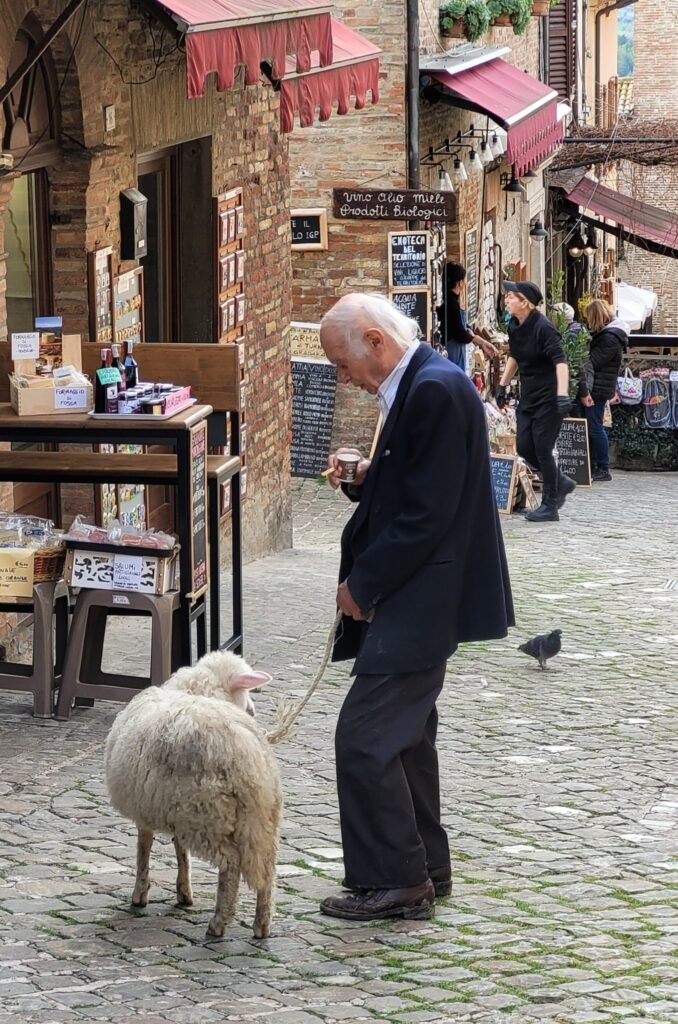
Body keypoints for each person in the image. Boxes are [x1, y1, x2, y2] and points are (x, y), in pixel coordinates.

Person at [318, 292, 514, 922]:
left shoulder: (432, 388)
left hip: (422, 594)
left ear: (375, 340)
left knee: (366, 737)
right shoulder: (425, 383)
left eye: (342, 362)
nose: (341, 377)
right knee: (405, 737)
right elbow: (416, 486)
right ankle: (424, 864)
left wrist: (363, 585)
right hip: (425, 591)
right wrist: (364, 479)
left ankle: (397, 882)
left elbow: (427, 514)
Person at [495, 281, 574, 524]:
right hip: (529, 395)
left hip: (549, 397)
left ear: (524, 302)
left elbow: (560, 362)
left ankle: (550, 505)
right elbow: (515, 355)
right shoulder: (514, 325)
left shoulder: (544, 328)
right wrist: (502, 384)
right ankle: (560, 482)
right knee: (524, 445)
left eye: (510, 297)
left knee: (542, 446)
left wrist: (562, 395)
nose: (506, 300)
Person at [581, 299, 628, 482]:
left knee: (594, 427)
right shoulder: (610, 335)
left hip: (598, 388)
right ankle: (596, 464)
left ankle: (603, 466)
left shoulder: (609, 338)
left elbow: (593, 361)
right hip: (599, 386)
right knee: (593, 426)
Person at [444, 262, 498, 370]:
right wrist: (481, 342)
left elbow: (457, 324)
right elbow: (459, 333)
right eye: (464, 280)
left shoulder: (447, 298)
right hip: (452, 354)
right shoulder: (451, 303)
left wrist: (470, 331)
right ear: (460, 283)